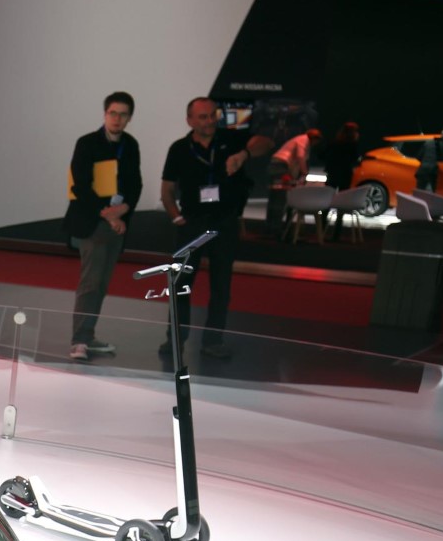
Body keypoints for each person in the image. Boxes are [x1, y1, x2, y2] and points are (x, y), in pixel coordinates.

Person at [160, 97, 274, 360]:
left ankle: (213, 340)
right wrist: (175, 217)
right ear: (190, 120)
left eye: (213, 115)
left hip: (224, 221)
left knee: (221, 285)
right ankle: (175, 339)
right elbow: (167, 189)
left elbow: (267, 143)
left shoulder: (232, 140)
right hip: (192, 222)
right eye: (203, 117)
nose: (210, 121)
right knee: (181, 284)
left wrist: (243, 155)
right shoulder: (179, 149)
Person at [63, 92, 142, 361]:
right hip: (93, 222)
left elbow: (135, 184)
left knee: (102, 284)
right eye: (113, 113)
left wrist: (124, 209)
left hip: (117, 223)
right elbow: (80, 186)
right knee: (90, 283)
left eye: (123, 114)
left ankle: (88, 335)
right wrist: (109, 215)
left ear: (129, 118)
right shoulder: (87, 143)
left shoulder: (130, 145)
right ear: (105, 114)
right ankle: (78, 341)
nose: (117, 119)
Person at [265, 127, 321, 240]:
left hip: (277, 164)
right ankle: (276, 229)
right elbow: (300, 157)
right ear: (315, 139)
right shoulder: (304, 140)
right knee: (280, 198)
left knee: (275, 197)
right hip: (281, 166)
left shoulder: (299, 139)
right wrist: (304, 172)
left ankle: (270, 227)